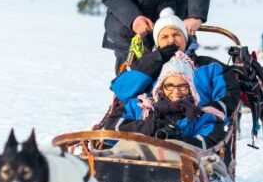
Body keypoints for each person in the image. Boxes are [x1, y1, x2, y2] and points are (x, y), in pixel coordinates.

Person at [99, 8, 240, 130]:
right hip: (150, 128)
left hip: (195, 128)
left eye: (176, 34)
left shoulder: (210, 67)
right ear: (157, 41)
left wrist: (203, 115)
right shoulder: (149, 65)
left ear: (186, 38)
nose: (171, 40)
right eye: (164, 36)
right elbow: (122, 91)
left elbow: (228, 97)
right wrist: (156, 58)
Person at [117, 52, 228, 149]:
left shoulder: (201, 117)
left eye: (182, 86)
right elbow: (112, 126)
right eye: (169, 86)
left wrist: (175, 140)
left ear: (191, 88)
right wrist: (151, 127)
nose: (176, 92)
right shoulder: (141, 108)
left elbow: (208, 144)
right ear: (161, 87)